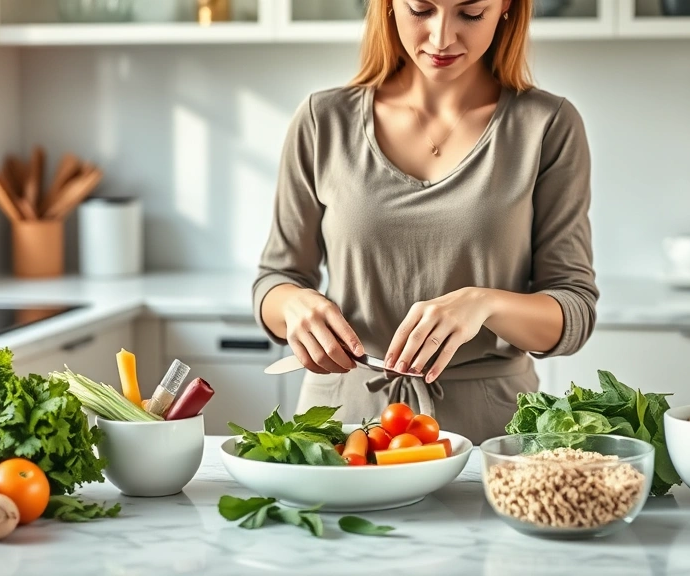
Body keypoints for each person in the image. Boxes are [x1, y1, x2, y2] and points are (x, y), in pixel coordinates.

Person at [252, 0, 598, 444]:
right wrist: (294, 305)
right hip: (340, 428)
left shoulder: (548, 126)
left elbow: (573, 309)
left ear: (506, 8)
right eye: (421, 9)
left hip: (492, 435)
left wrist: (484, 304)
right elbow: (275, 280)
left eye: (471, 14)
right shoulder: (323, 121)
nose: (441, 38)